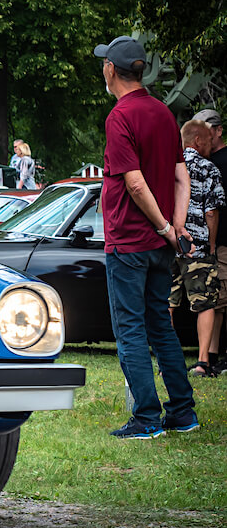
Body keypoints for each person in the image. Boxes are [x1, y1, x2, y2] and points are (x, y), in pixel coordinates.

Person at [94, 34, 197, 437]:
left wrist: (161, 225)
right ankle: (183, 413)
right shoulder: (164, 113)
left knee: (131, 330)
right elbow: (180, 175)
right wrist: (177, 226)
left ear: (110, 70)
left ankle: (146, 418)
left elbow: (135, 184)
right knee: (161, 327)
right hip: (159, 245)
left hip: (130, 242)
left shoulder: (120, 117)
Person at [168, 119, 225, 376]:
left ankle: (167, 360)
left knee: (165, 302)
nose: (212, 147)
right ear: (199, 141)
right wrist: (212, 245)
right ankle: (203, 361)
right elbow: (212, 211)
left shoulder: (168, 167)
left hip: (169, 245)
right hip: (198, 247)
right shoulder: (208, 168)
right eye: (209, 142)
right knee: (205, 303)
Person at [195, 109, 227, 374]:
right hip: (209, 242)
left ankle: (215, 356)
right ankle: (212, 355)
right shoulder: (202, 162)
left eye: (207, 131)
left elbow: (213, 209)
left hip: (223, 240)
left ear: (218, 130)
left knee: (221, 297)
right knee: (214, 298)